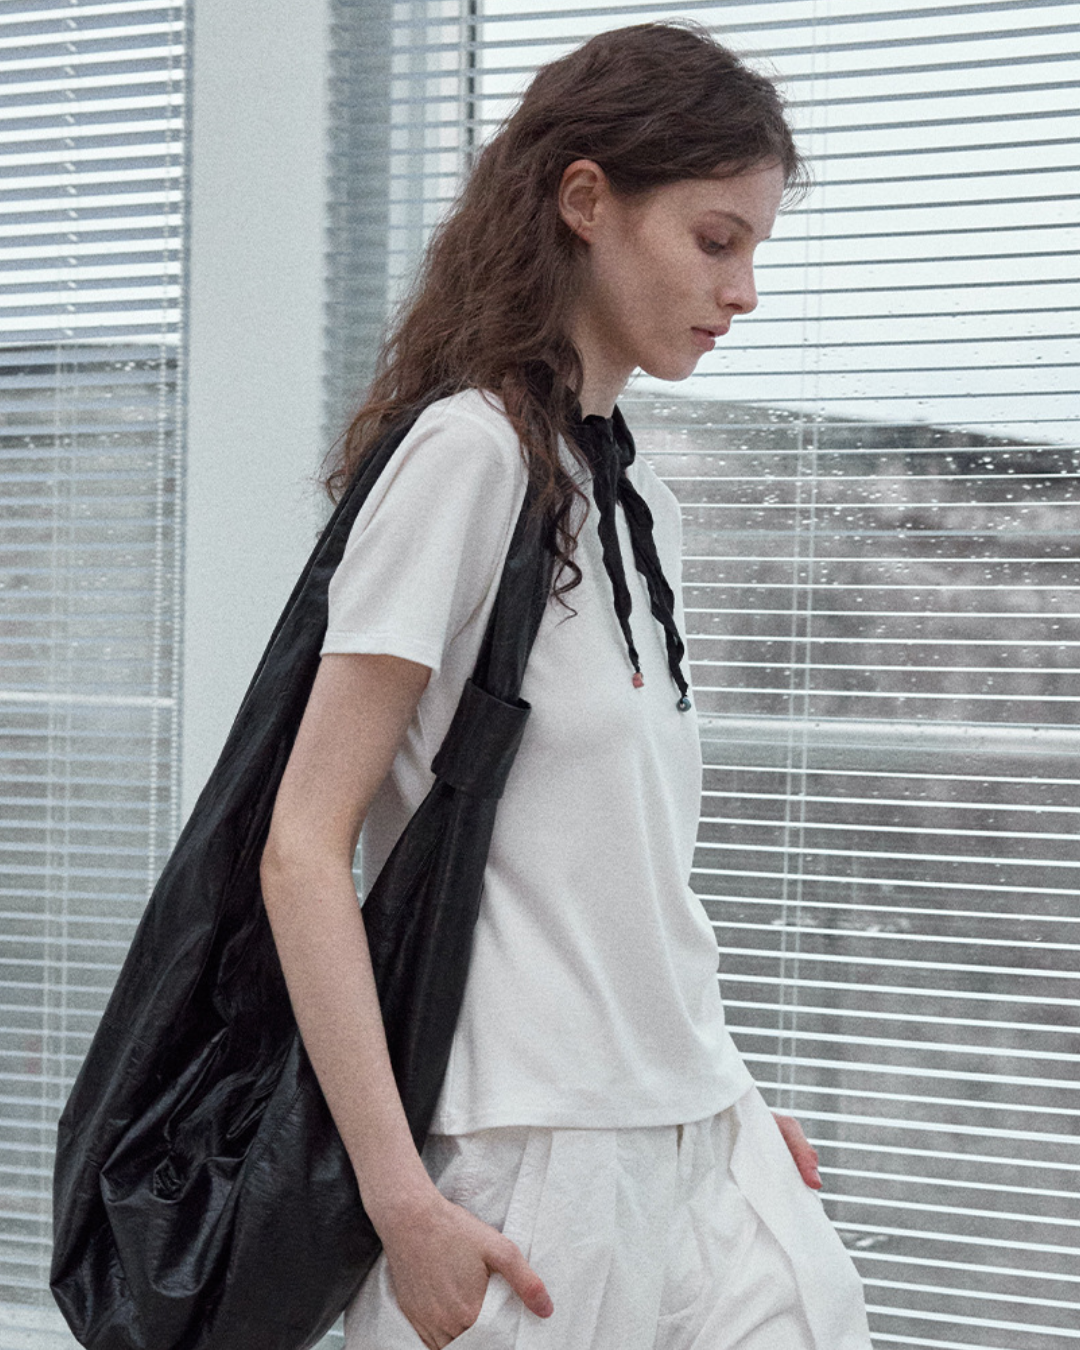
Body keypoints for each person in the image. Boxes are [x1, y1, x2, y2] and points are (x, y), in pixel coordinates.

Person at [259, 21, 873, 1350]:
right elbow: (303, 845)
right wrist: (400, 1201)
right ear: (586, 200)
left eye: (757, 249)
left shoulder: (631, 500)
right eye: (717, 240)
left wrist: (704, 1086)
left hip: (693, 1132)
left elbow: (619, 865)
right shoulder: (466, 458)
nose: (745, 290)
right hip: (525, 1159)